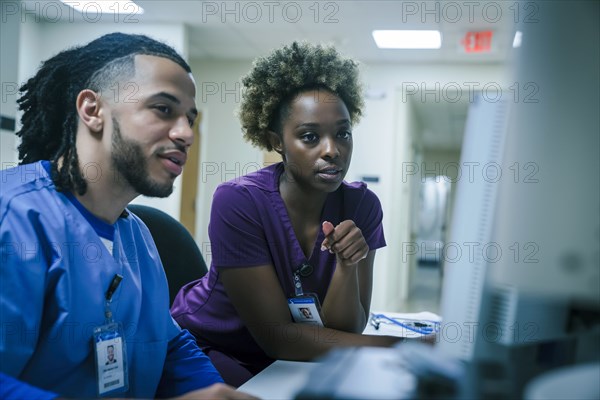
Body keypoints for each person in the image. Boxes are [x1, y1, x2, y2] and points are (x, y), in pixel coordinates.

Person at [0, 32, 255, 400]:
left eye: (190, 118)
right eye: (163, 109)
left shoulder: (136, 234)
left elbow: (168, 346)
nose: (185, 134)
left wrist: (215, 392)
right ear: (92, 110)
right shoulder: (15, 218)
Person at [171, 42, 403, 387]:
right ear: (276, 140)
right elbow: (277, 337)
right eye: (310, 137)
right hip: (211, 346)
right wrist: (402, 348)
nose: (332, 150)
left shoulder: (361, 206)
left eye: (343, 134)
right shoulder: (239, 201)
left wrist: (348, 264)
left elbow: (348, 329)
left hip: (294, 357)